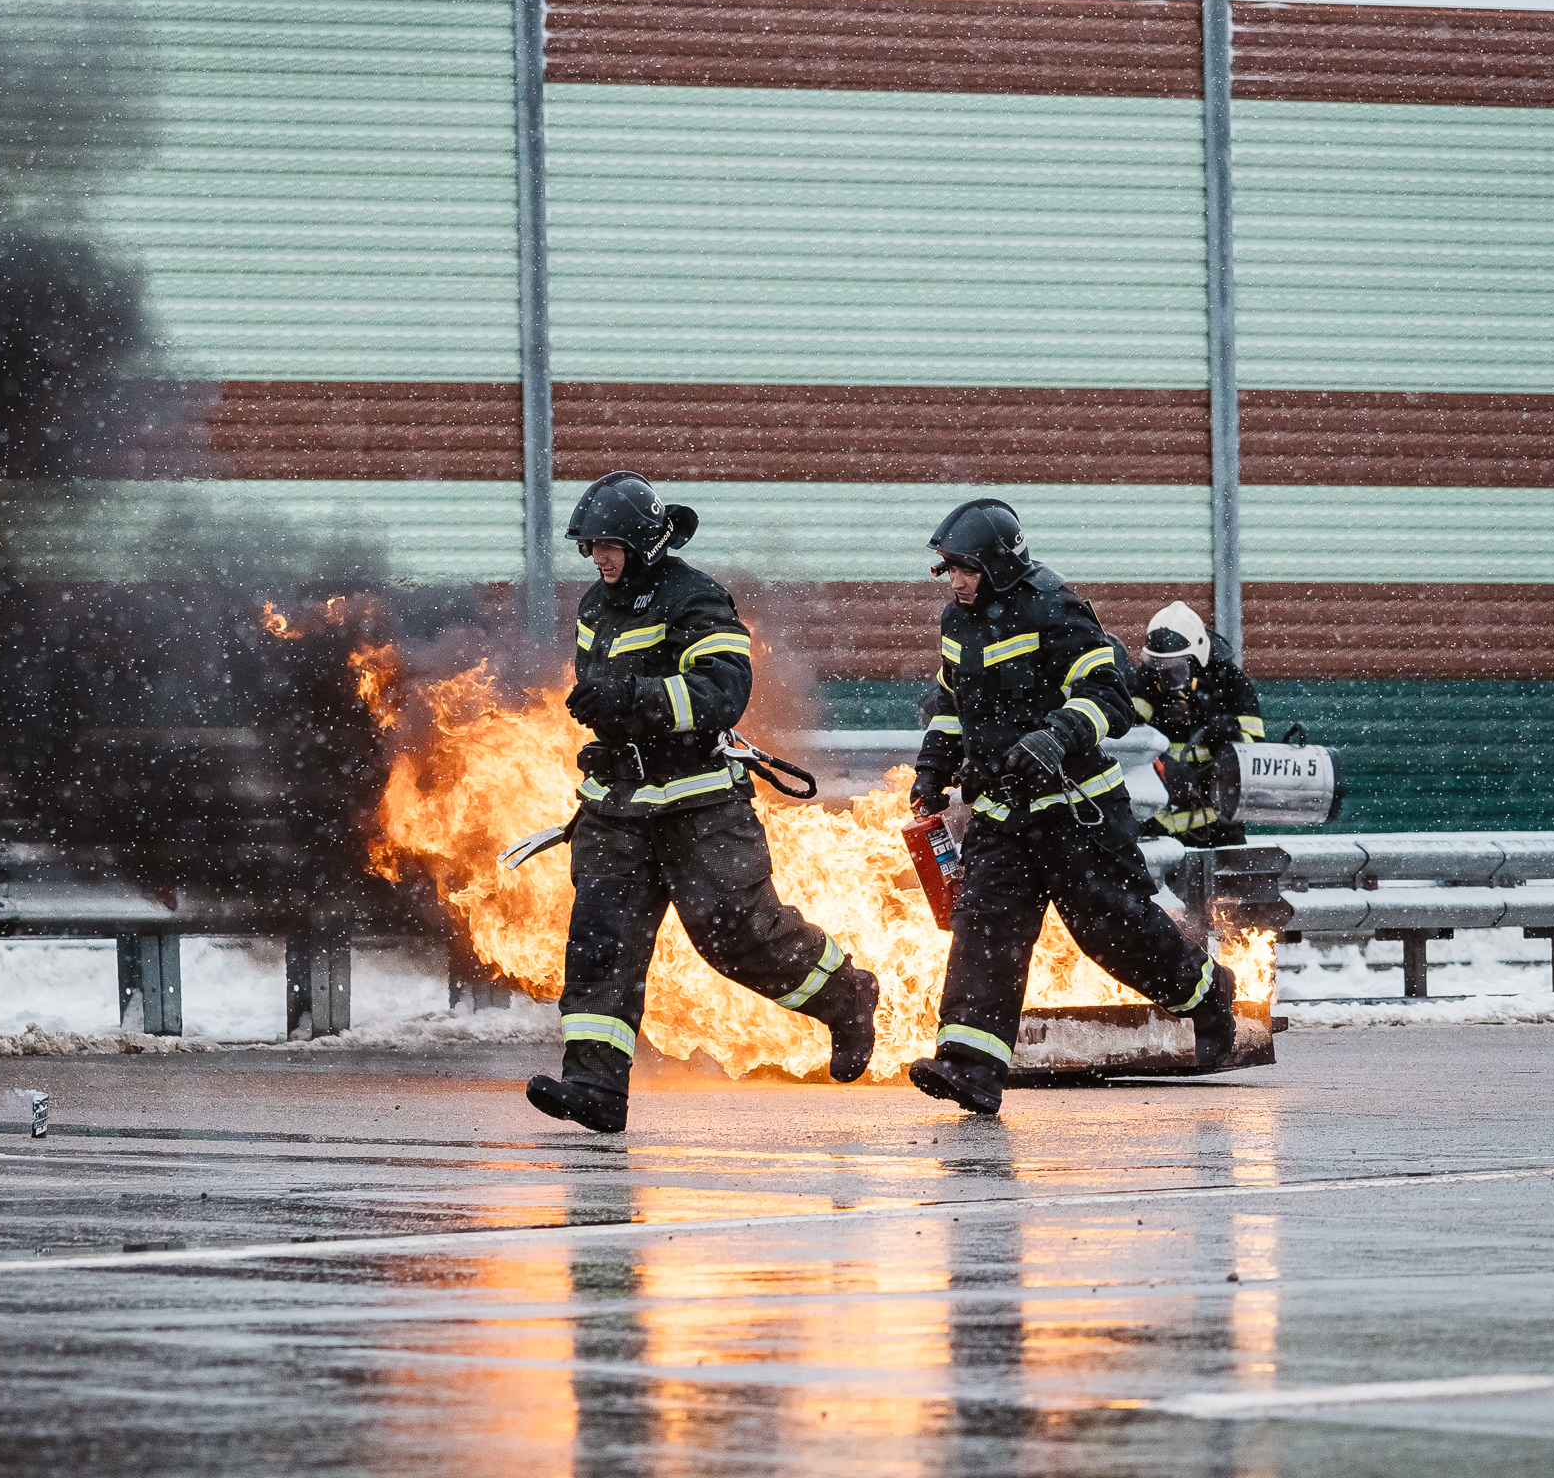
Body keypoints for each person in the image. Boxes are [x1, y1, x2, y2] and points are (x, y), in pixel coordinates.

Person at [527, 471, 882, 1134]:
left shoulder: (697, 600)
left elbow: (722, 691)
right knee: (601, 941)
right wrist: (608, 742)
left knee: (734, 936)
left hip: (700, 804)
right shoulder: (595, 608)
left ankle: (845, 994)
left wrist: (634, 703)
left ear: (644, 543)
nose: (598, 558)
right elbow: (600, 698)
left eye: (609, 545)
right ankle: (595, 1085)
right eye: (590, 547)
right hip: (618, 806)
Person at [907, 499, 1238, 1117]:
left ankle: (1205, 992)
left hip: (1075, 812)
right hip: (1003, 818)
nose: (952, 580)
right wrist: (933, 769)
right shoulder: (959, 622)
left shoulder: (1055, 608)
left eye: (962, 568)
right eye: (946, 569)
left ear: (999, 563)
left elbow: (1107, 693)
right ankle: (970, 1068)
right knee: (985, 932)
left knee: (1113, 934)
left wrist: (1057, 734)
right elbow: (953, 704)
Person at [1128, 602, 1264, 849]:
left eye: (1175, 669)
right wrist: (1160, 763)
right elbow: (1129, 733)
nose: (1166, 678)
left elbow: (1256, 751)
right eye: (1159, 667)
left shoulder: (1231, 683)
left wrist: (1228, 736)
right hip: (1157, 826)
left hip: (1217, 824)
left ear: (1196, 658)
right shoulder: (1147, 681)